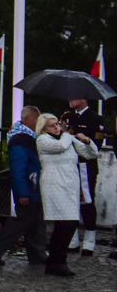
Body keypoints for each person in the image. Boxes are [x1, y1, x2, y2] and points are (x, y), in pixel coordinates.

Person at [36, 113, 98, 278]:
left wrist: (87, 141)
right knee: (67, 223)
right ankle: (58, 261)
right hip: (55, 185)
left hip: (70, 186)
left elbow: (91, 154)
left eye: (57, 124)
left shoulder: (67, 139)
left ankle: (55, 261)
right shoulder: (43, 140)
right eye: (52, 125)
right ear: (43, 128)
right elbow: (61, 147)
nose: (57, 127)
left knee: (66, 224)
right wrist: (67, 134)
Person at [0, 105, 47, 264]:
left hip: (32, 188)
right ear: (29, 119)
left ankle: (36, 253)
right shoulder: (22, 141)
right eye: (37, 118)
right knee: (22, 223)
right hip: (29, 188)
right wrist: (23, 193)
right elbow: (18, 169)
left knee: (34, 222)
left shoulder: (26, 139)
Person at [62, 98, 103, 257]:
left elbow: (96, 145)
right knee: (70, 202)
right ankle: (72, 240)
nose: (70, 100)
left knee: (87, 202)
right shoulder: (67, 117)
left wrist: (83, 140)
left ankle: (89, 240)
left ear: (84, 99)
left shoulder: (95, 119)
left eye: (74, 97)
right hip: (69, 164)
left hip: (86, 165)